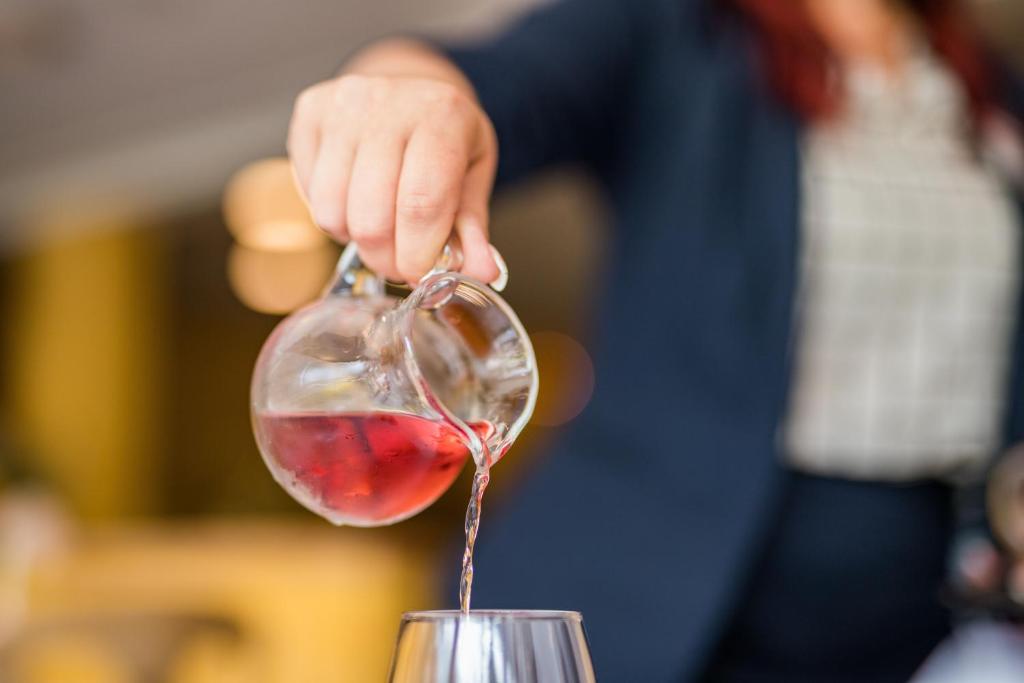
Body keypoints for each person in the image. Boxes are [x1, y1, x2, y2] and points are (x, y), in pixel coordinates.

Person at [287, 0, 1024, 680]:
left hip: (908, 623)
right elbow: (499, 82)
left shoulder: (984, 86)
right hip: (639, 605)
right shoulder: (676, 27)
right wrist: (407, 90)